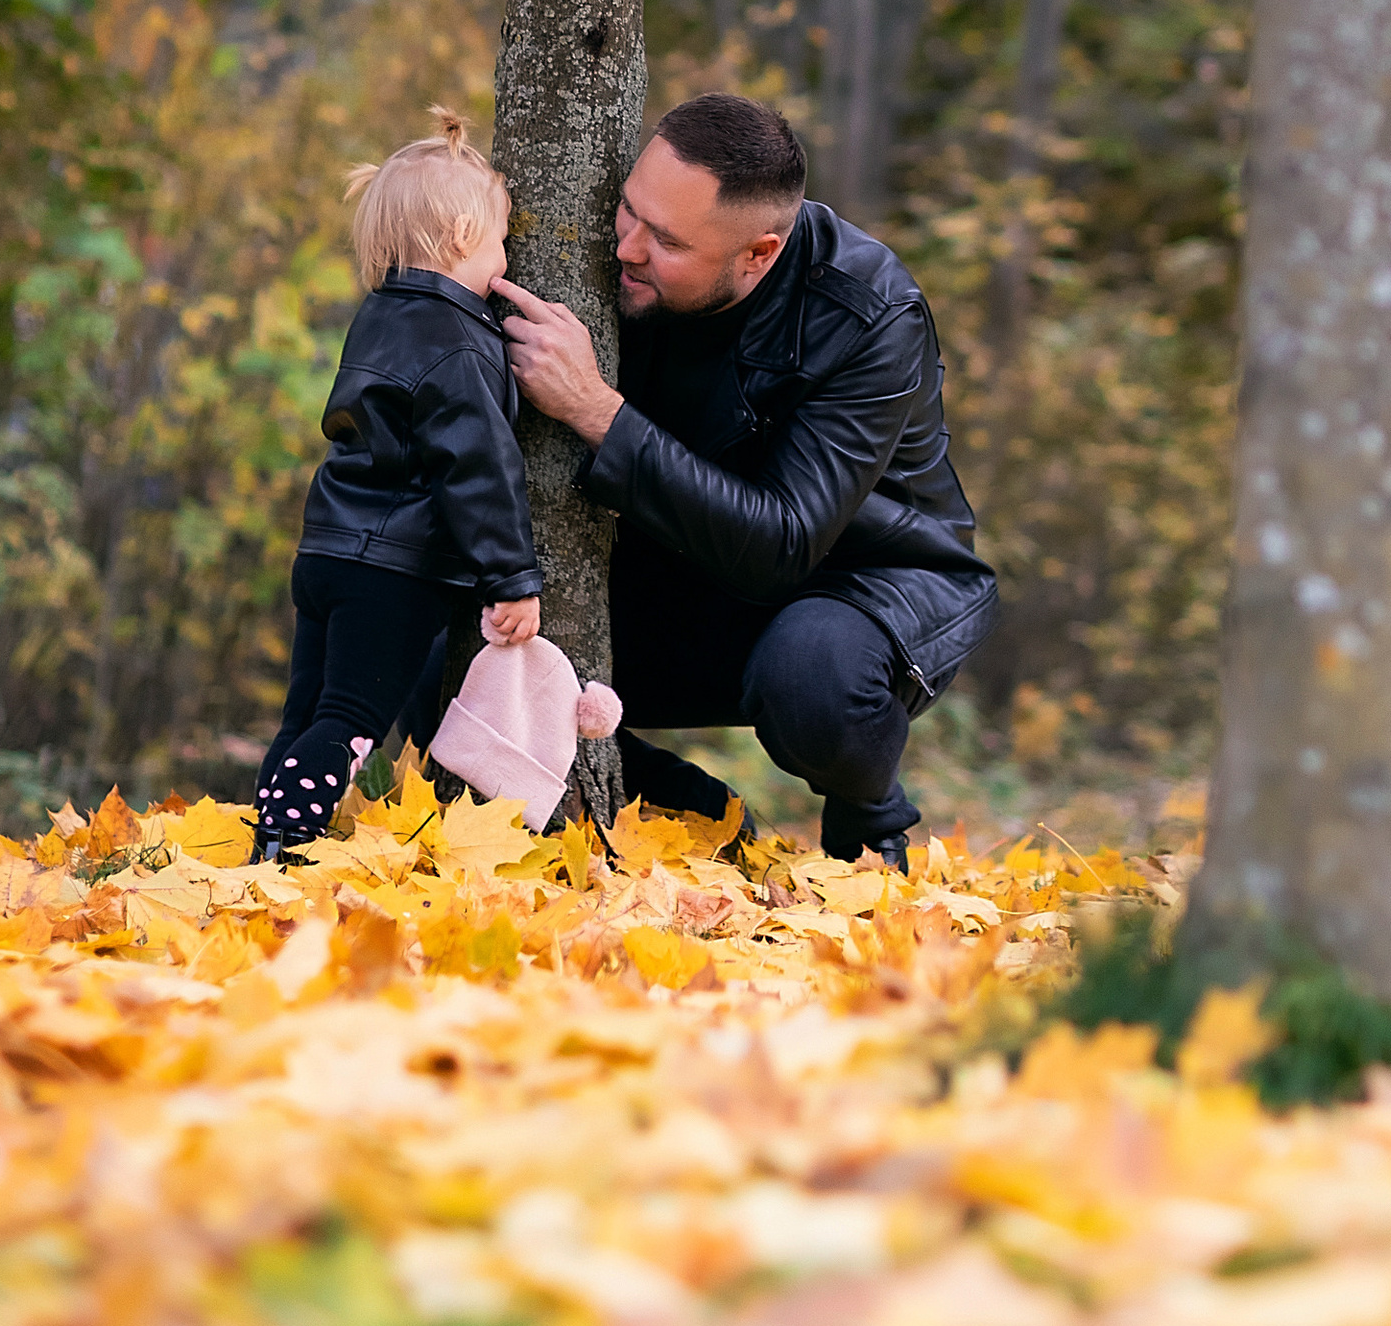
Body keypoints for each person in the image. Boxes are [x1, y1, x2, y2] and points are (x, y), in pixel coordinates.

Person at [500, 93, 996, 868]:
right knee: (454, 647)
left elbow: (784, 542)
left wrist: (597, 411)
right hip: (692, 573)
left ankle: (869, 825)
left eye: (664, 240)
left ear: (757, 254)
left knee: (814, 678)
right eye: (628, 210)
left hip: (865, 584)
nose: (625, 246)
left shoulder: (869, 313)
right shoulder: (618, 258)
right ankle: (707, 824)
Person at [254, 107, 542, 857]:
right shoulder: (458, 342)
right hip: (394, 566)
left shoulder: (379, 316)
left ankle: (268, 834)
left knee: (307, 711)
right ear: (460, 239)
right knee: (350, 719)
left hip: (327, 551)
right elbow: (478, 465)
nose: (507, 260)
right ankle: (290, 838)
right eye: (503, 238)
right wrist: (510, 577)